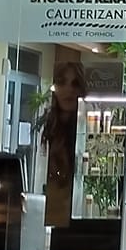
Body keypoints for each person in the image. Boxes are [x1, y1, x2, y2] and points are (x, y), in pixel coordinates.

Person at [40, 60, 87, 229]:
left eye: (75, 84)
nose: (68, 89)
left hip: (77, 210)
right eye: (62, 82)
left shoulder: (86, 129)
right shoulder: (51, 126)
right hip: (55, 209)